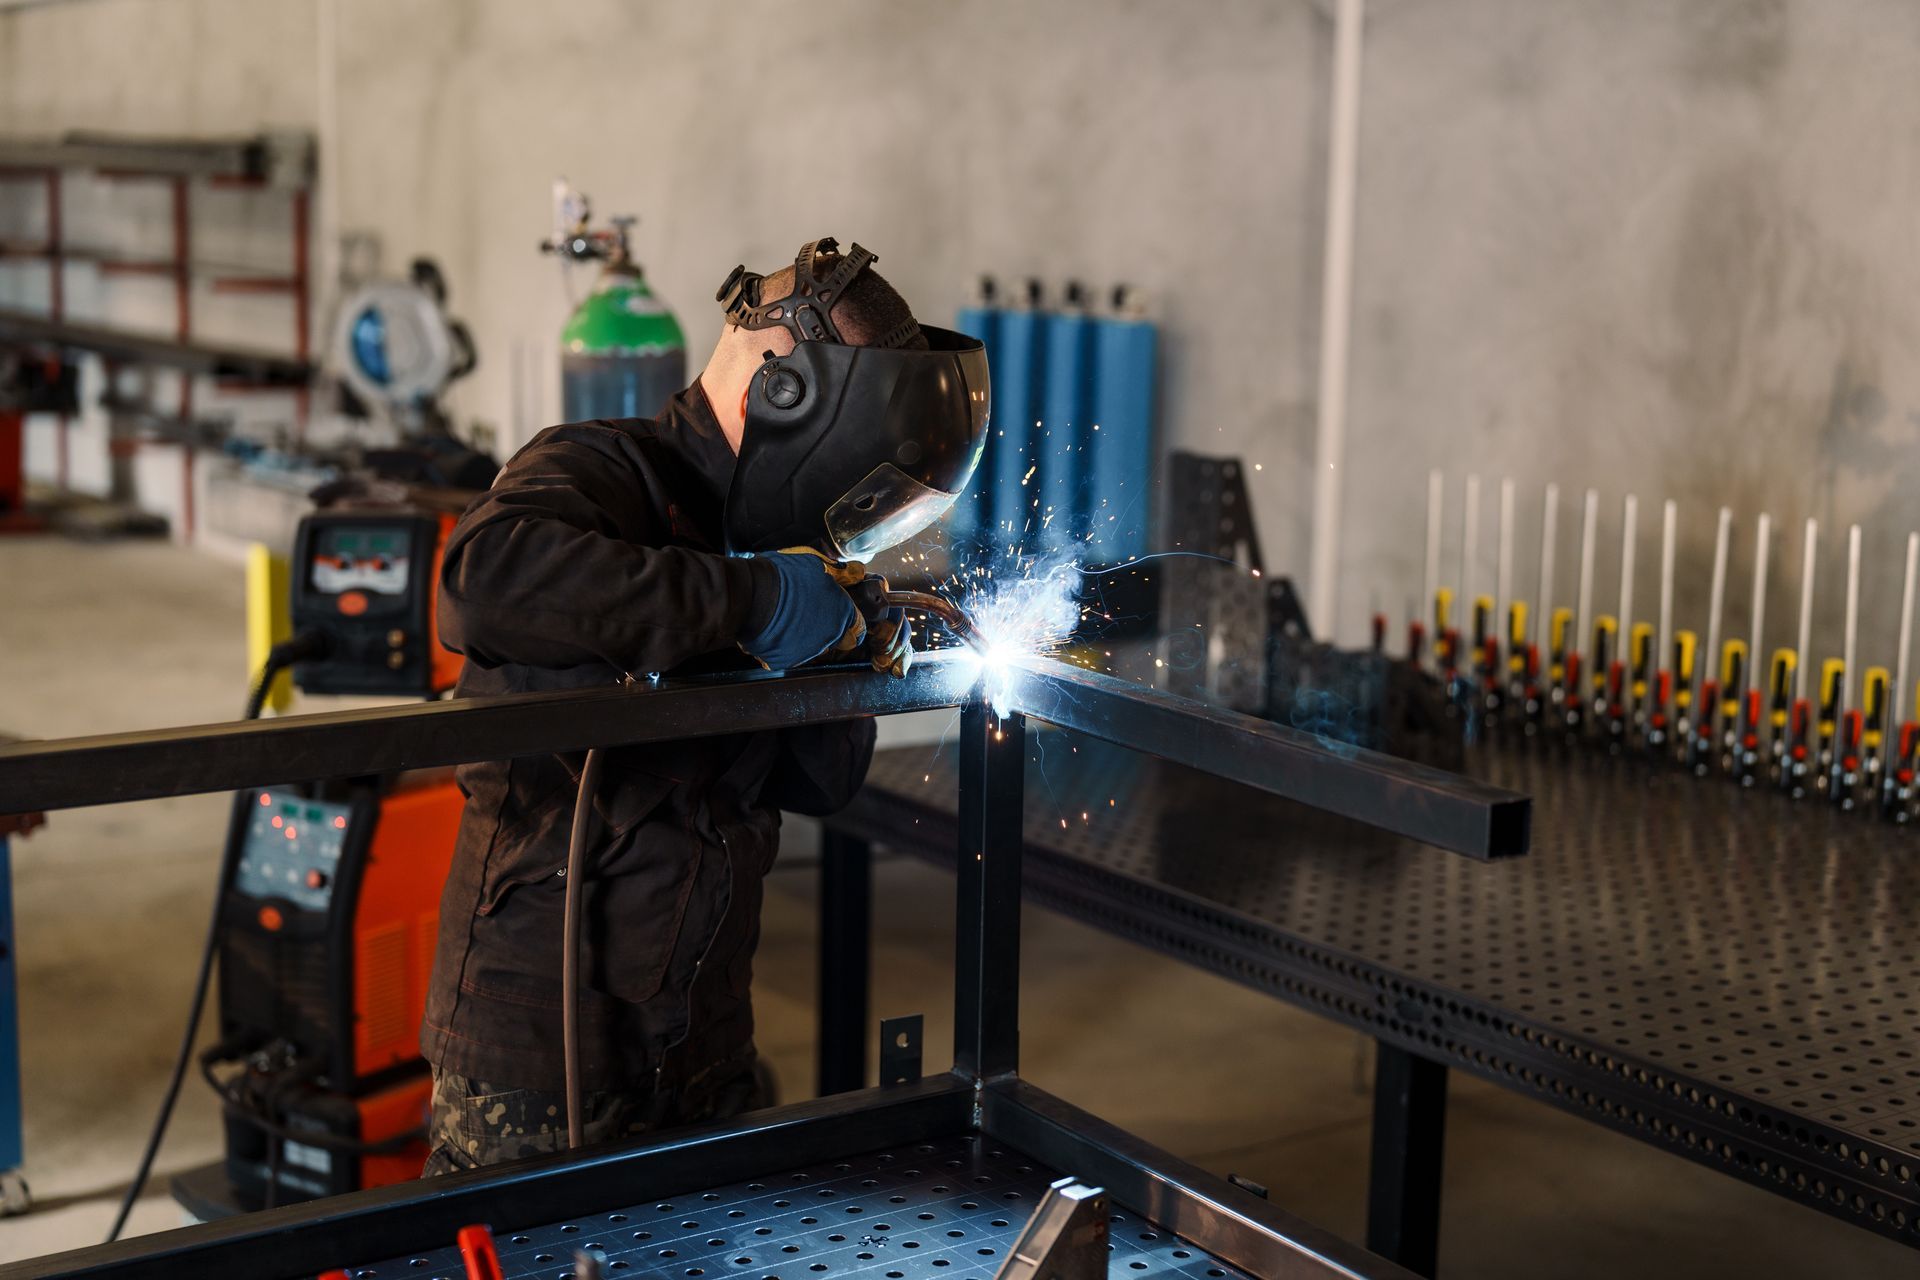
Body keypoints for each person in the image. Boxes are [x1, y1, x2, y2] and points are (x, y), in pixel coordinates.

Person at [419, 238, 988, 1172]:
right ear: (782, 394)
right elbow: (481, 582)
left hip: (708, 1036)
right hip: (544, 1050)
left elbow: (820, 782)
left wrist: (845, 657)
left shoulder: (782, 537)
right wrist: (754, 604)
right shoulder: (601, 471)